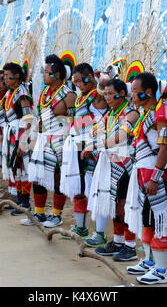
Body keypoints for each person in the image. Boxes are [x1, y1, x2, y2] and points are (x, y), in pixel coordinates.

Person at [124, 72, 167, 284]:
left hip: (154, 175)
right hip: (142, 174)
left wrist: (156, 177)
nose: (132, 96)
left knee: (159, 221)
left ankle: (161, 270)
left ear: (149, 92)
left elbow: (165, 147)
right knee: (147, 220)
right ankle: (149, 261)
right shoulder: (146, 113)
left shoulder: (162, 113)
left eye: (135, 93)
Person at [83, 78, 139, 262]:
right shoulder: (111, 113)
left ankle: (130, 247)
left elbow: (121, 137)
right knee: (116, 205)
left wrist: (97, 145)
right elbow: (96, 131)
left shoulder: (131, 113)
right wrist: (91, 142)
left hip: (126, 166)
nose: (106, 97)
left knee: (125, 205)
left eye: (109, 93)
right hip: (112, 165)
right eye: (104, 94)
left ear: (122, 93)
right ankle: (118, 241)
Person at [23, 54, 76, 227]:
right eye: (43, 71)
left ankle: (56, 215)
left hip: (60, 140)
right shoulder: (45, 92)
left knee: (57, 177)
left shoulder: (68, 95)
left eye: (47, 72)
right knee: (37, 175)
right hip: (43, 139)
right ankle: (39, 214)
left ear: (57, 75)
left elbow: (76, 121)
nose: (44, 75)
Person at [60, 63, 108, 238]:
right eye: (75, 81)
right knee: (79, 189)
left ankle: (100, 233)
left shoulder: (99, 97)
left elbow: (107, 91)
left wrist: (100, 80)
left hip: (93, 148)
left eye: (81, 80)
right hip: (77, 147)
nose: (78, 84)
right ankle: (81, 227)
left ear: (90, 78)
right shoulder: (82, 97)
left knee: (97, 189)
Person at [0, 62, 33, 216]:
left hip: (20, 133)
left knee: (22, 168)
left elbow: (29, 118)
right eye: (3, 77)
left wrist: (23, 141)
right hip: (11, 133)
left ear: (16, 76)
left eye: (7, 76)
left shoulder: (22, 93)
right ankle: (19, 200)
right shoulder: (11, 92)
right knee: (14, 167)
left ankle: (25, 203)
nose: (5, 79)